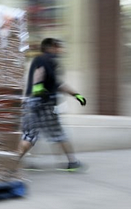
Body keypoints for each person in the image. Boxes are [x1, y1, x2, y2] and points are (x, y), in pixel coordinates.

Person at [19, 38, 87, 170]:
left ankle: (13, 162)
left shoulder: (42, 60)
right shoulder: (46, 59)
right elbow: (40, 74)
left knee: (30, 136)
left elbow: (57, 84)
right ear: (49, 47)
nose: (59, 50)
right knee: (59, 133)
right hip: (45, 104)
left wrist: (76, 95)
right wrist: (38, 88)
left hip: (31, 102)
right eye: (57, 47)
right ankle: (72, 162)